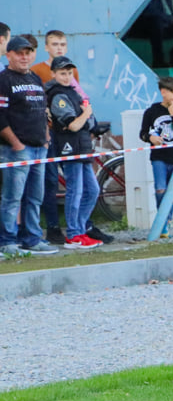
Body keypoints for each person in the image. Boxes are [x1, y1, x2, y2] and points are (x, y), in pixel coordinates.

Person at [0, 36, 57, 255]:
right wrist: (16, 143)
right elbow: (1, 116)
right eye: (19, 53)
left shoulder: (34, 77)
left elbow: (42, 110)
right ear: (9, 55)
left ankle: (32, 239)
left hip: (38, 147)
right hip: (15, 149)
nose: (25, 57)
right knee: (12, 197)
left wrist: (45, 138)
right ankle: (7, 241)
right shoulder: (4, 79)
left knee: (35, 197)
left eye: (28, 52)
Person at [45, 56, 104, 249]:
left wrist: (86, 118)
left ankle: (79, 229)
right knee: (75, 191)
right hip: (69, 147)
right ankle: (73, 234)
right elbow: (74, 125)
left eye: (69, 73)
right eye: (62, 73)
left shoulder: (73, 92)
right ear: (54, 74)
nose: (67, 76)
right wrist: (86, 113)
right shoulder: (58, 95)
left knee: (93, 190)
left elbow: (89, 124)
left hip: (83, 146)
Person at [140, 76, 173, 238]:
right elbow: (143, 133)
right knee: (160, 188)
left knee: (171, 190)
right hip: (158, 157)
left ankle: (165, 222)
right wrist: (150, 138)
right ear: (163, 93)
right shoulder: (152, 111)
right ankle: (162, 220)